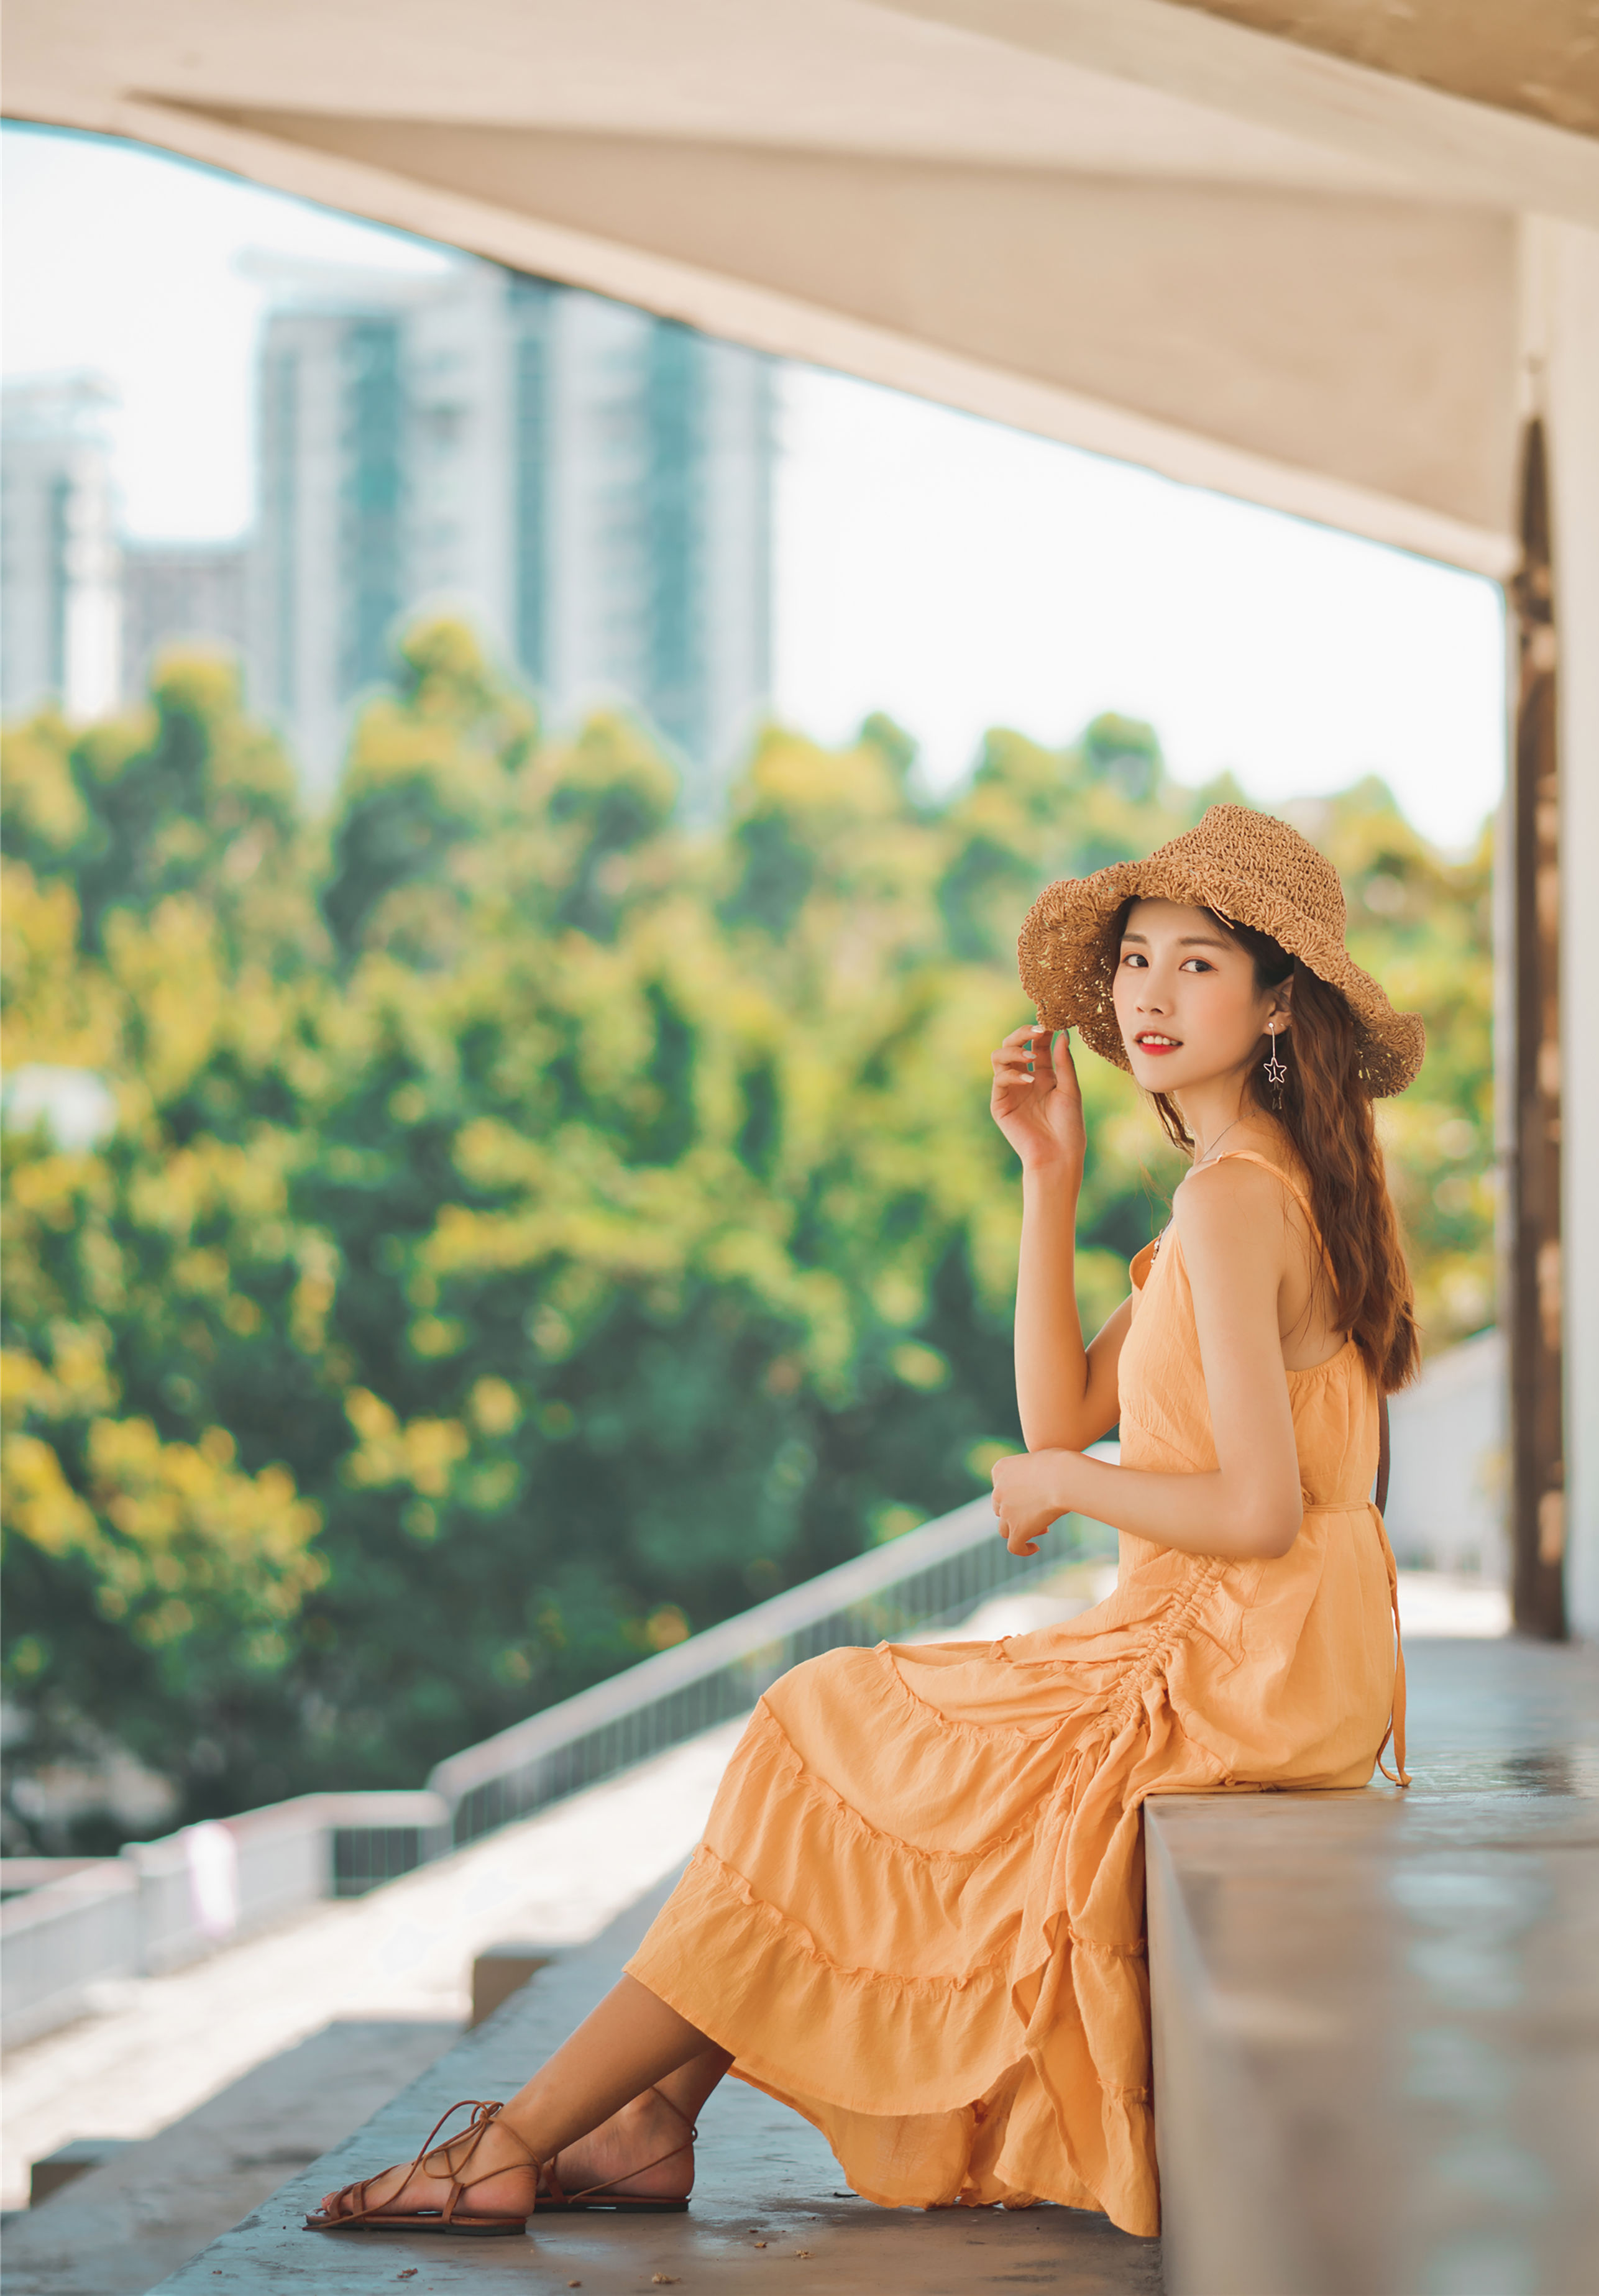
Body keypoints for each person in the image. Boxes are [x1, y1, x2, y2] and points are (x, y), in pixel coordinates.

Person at [306, 804, 1419, 2240]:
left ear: (1278, 1001)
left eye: (1198, 965)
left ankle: (515, 2142)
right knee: (827, 1742)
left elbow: (1252, 1512)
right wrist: (1047, 1178)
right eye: (1137, 958)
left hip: (1228, 1661)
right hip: (1252, 1651)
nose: (1148, 993)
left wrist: (1069, 1494)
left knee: (823, 1724)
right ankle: (636, 2119)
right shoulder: (1237, 1189)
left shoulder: (1234, 1204)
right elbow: (1059, 1412)